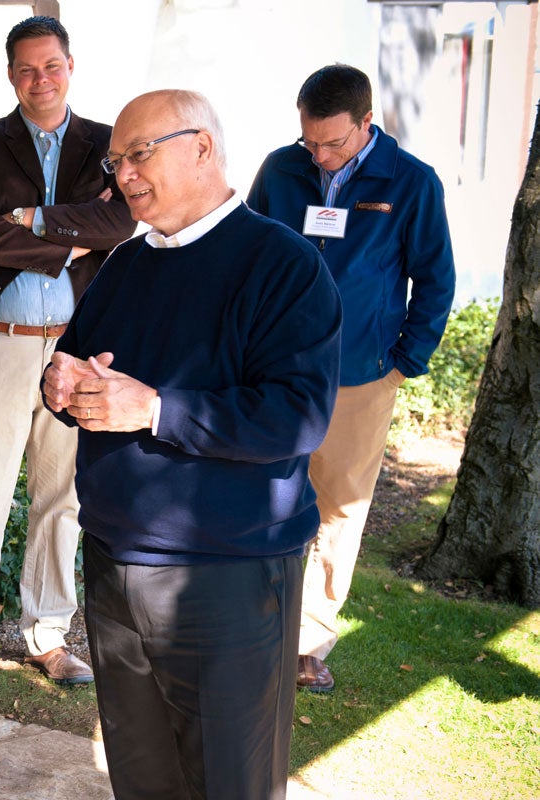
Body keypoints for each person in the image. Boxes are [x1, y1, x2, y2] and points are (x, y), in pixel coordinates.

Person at [42, 89, 341, 798]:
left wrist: (156, 409)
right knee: (141, 777)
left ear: (202, 147)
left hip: (225, 575)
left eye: (139, 154)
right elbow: (81, 367)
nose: (123, 174)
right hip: (114, 563)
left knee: (228, 780)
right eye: (115, 161)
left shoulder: (282, 264)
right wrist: (61, 385)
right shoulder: (125, 264)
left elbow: (296, 417)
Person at [0, 15, 135, 713]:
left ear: (71, 66)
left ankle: (47, 636)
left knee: (62, 498)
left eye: (51, 66)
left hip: (80, 345)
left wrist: (31, 218)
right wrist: (73, 231)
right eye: (25, 69)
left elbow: (121, 223)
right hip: (2, 343)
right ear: (10, 74)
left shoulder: (108, 144)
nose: (39, 80)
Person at [247, 64, 455, 694]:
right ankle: (258, 625)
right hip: (277, 369)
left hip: (361, 375)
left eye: (333, 143)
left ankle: (310, 640)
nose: (319, 155)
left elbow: (435, 280)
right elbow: (248, 255)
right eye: (309, 140)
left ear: (367, 122)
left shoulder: (412, 182)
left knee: (339, 507)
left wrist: (403, 362)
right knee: (265, 494)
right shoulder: (280, 170)